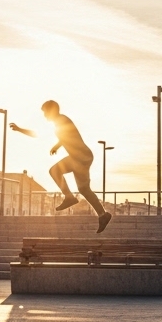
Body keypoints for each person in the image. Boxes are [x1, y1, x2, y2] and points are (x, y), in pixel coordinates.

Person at [43, 100, 111, 233]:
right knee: (84, 189)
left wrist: (59, 145)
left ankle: (69, 197)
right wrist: (57, 146)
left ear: (52, 111)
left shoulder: (61, 120)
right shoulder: (60, 121)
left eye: (45, 112)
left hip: (79, 157)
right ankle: (103, 215)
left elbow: (67, 135)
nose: (44, 115)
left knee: (54, 171)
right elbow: (67, 136)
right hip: (81, 157)